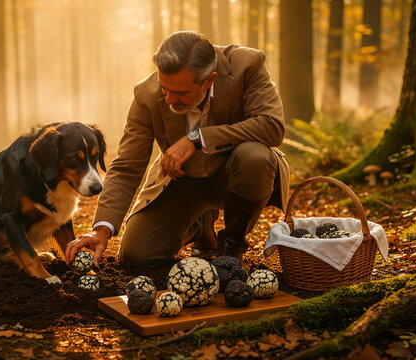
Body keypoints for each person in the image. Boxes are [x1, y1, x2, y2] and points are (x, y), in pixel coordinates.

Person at [65, 31, 289, 268]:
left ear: (209, 80)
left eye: (181, 93)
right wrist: (101, 229)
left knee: (254, 156)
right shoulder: (145, 95)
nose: (169, 99)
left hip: (235, 174)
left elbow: (271, 125)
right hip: (180, 178)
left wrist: (197, 138)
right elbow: (127, 166)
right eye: (165, 88)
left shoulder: (248, 65)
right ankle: (200, 226)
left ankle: (231, 247)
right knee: (137, 256)